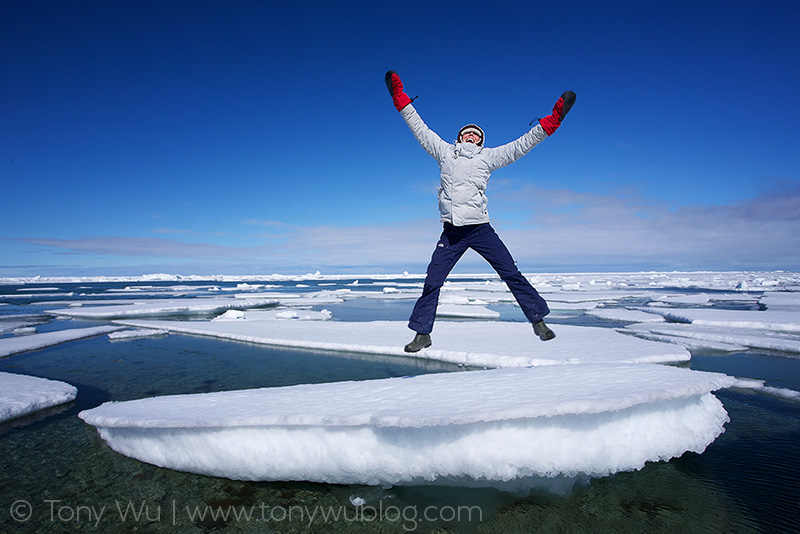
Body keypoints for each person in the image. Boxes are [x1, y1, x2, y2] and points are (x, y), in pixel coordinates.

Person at [384, 70, 575, 353]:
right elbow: (419, 128)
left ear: (480, 141)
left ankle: (538, 321)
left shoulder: (489, 157)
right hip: (451, 233)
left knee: (511, 272)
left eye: (476, 134)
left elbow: (522, 145)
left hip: (480, 229)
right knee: (432, 281)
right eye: (466, 133)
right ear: (459, 137)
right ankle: (422, 333)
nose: (471, 136)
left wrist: (552, 120)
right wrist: (400, 99)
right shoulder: (444, 152)